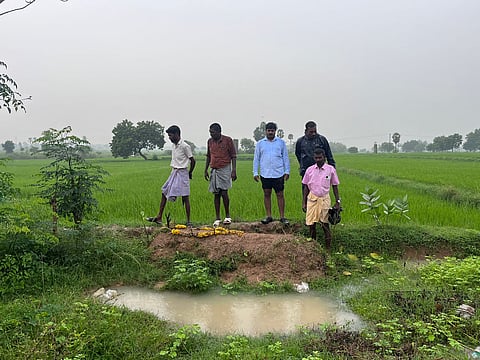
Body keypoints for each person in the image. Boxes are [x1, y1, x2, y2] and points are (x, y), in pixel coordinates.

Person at [146, 125, 196, 226]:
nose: (169, 138)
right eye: (168, 136)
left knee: (185, 197)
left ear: (177, 134)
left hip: (182, 172)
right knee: (164, 192)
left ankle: (189, 221)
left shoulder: (185, 146)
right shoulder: (174, 145)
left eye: (171, 135)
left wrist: (190, 172)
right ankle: (159, 217)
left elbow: (193, 160)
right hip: (174, 172)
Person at [302, 148, 341, 250]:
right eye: (316, 158)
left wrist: (338, 201)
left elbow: (335, 186)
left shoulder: (330, 169)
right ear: (314, 158)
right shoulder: (309, 170)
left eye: (320, 157)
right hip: (312, 199)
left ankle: (327, 249)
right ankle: (313, 247)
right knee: (311, 224)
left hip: (324, 199)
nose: (318, 159)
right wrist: (304, 202)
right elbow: (306, 186)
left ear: (324, 157)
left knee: (325, 224)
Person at [253, 122, 290, 225]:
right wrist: (255, 172)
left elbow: (285, 157)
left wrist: (287, 171)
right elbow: (256, 159)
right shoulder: (260, 143)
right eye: (268, 130)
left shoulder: (281, 143)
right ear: (265, 131)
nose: (270, 132)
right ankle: (269, 216)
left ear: (275, 131)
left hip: (278, 173)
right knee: (267, 194)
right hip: (265, 173)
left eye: (272, 130)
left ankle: (282, 217)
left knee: (280, 195)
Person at [204, 123, 237, 226]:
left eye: (212, 132)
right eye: (210, 132)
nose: (211, 134)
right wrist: (205, 169)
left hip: (224, 168)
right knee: (216, 194)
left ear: (219, 132)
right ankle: (217, 218)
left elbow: (233, 156)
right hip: (214, 169)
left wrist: (234, 170)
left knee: (224, 193)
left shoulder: (228, 140)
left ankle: (227, 216)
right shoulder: (210, 142)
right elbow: (209, 156)